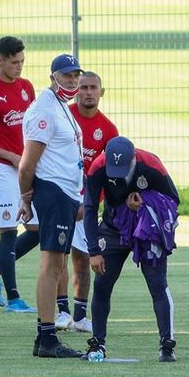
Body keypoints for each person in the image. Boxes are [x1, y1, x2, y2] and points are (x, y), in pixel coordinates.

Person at [83, 136, 178, 363]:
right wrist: (94, 251)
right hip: (112, 229)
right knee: (102, 285)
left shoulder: (151, 164)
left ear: (134, 158)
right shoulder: (98, 167)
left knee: (157, 284)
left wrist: (144, 200)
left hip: (148, 232)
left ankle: (167, 345)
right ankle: (98, 343)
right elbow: (89, 208)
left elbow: (174, 199)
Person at [18, 53, 87, 358]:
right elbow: (26, 165)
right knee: (51, 265)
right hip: (53, 191)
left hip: (64, 192)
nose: (72, 80)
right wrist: (26, 198)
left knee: (57, 264)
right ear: (53, 77)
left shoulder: (59, 107)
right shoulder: (45, 110)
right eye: (67, 75)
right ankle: (46, 338)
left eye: (75, 75)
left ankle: (44, 337)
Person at [0, 36, 40, 313]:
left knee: (37, 230)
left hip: (25, 166)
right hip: (0, 167)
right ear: (0, 59)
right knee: (9, 231)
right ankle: (14, 298)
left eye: (22, 62)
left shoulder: (26, 87)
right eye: (14, 62)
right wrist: (9, 156)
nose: (19, 67)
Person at [61, 70, 120, 333]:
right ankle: (62, 313)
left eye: (92, 87)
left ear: (101, 92)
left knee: (84, 259)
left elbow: (110, 174)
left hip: (87, 202)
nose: (87, 92)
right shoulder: (64, 116)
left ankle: (80, 316)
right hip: (60, 194)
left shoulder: (108, 129)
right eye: (82, 87)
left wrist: (91, 205)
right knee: (56, 256)